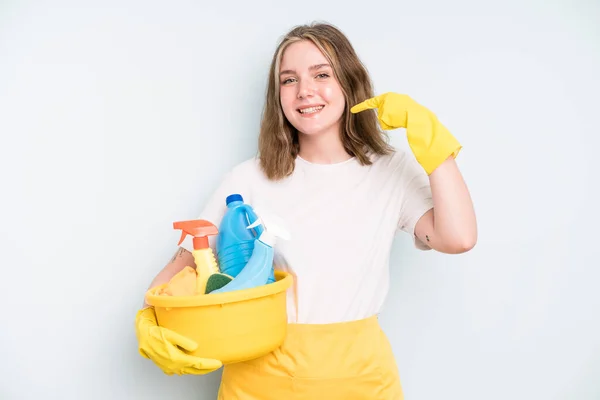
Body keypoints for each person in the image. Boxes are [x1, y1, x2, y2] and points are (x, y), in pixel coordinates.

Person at [135, 22, 477, 399]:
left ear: (349, 82)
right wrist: (151, 318)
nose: (305, 91)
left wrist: (433, 143)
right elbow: (181, 267)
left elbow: (458, 238)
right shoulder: (246, 180)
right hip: (260, 381)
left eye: (322, 74)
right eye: (289, 80)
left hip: (362, 382)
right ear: (278, 94)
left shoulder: (389, 172)